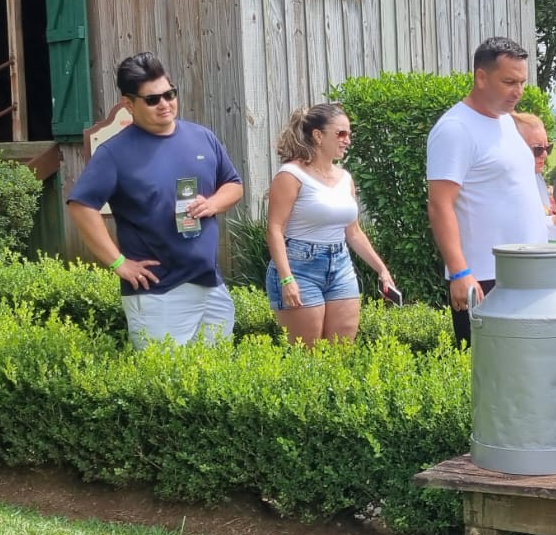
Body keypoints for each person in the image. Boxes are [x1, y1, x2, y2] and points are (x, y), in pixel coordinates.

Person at [67, 52, 243, 350]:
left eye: (169, 94)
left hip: (211, 285)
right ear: (129, 104)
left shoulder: (202, 137)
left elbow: (233, 185)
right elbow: (81, 207)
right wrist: (119, 263)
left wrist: (213, 204)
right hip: (157, 293)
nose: (165, 104)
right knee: (166, 387)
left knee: (214, 381)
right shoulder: (114, 153)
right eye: (152, 99)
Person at [426, 37, 548, 347]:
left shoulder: (506, 122)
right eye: (509, 81)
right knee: (492, 379)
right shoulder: (456, 128)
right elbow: (440, 205)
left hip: (527, 272)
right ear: (481, 77)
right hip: (484, 279)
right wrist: (459, 272)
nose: (518, 91)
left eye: (521, 81)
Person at [265, 103, 396, 347]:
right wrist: (286, 279)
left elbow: (353, 232)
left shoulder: (345, 178)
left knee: (340, 354)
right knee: (309, 358)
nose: (348, 140)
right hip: (299, 267)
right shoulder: (291, 175)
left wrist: (382, 270)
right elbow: (274, 229)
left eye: (349, 134)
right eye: (341, 133)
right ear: (318, 135)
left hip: (340, 266)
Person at [511, 111, 552, 214]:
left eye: (548, 148)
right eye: (538, 149)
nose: (545, 154)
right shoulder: (506, 186)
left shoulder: (535, 174)